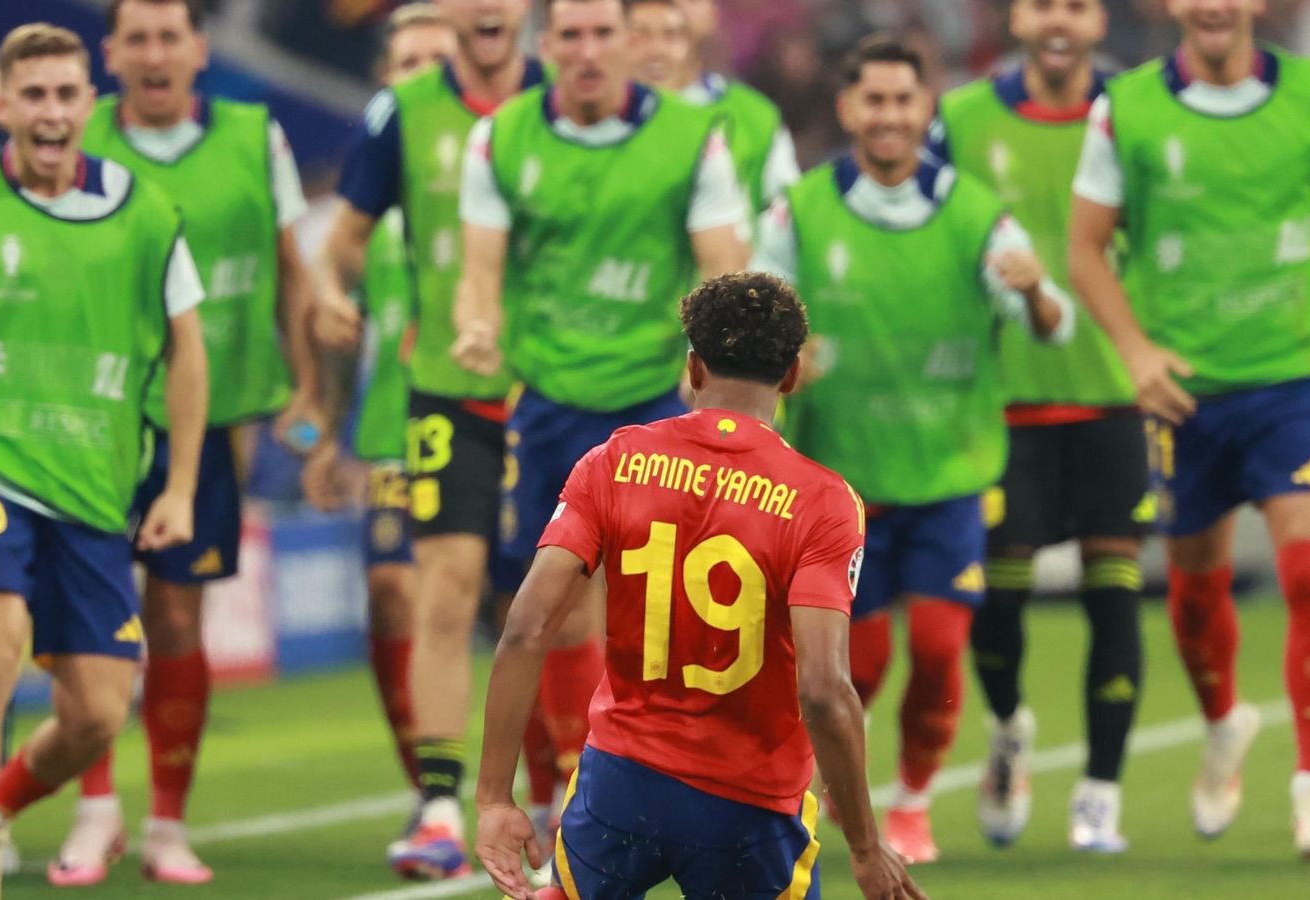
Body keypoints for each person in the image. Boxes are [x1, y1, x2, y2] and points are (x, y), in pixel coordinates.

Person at [1069, 0, 1310, 860]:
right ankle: (1224, 721)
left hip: (1293, 380)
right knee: (1197, 595)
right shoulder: (1125, 108)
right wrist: (1135, 352)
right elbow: (1085, 246)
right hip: (1184, 394)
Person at [0, 24, 208, 900]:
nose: (51, 113)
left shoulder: (145, 211)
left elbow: (188, 348)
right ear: (3, 105)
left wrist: (178, 485)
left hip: (93, 491)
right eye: (35, 96)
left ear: (88, 104)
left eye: (67, 95)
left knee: (96, 714)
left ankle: (0, 801)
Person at [473, 271, 926, 900]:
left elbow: (525, 628)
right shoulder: (822, 502)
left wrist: (495, 799)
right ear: (792, 374)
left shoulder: (615, 460)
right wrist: (869, 851)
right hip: (751, 807)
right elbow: (824, 690)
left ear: (693, 367)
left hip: (619, 785)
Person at [756, 34, 1074, 864]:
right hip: (841, 489)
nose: (890, 115)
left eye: (905, 100)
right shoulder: (800, 209)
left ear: (927, 108)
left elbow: (1051, 325)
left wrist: (1036, 289)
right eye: (875, 100)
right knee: (856, 666)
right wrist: (787, 362)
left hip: (947, 474)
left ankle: (915, 801)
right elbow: (759, 318)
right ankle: (838, 797)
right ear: (847, 108)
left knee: (936, 652)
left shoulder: (976, 214)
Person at [451, 0, 747, 869]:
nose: (585, 51)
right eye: (569, 36)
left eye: (599, 33)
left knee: (662, 608)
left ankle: (668, 787)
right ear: (547, 49)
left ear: (629, 43)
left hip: (656, 400)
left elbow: (722, 266)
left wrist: (730, 382)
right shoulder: (501, 140)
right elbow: (481, 272)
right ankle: (575, 795)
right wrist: (476, 326)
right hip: (547, 402)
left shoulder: (694, 138)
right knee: (547, 608)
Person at [47, 0, 320, 884]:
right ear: (110, 52)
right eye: (139, 38)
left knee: (175, 616)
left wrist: (307, 388)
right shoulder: (73, 137)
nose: (155, 53)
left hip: (210, 419)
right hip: (89, 418)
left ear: (199, 50)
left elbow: (290, 265)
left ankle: (166, 824)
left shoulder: (253, 136)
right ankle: (94, 814)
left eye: (171, 36)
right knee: (91, 620)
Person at [317, 0, 549, 880]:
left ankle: (566, 784)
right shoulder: (401, 114)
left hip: (553, 390)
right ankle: (440, 804)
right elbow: (344, 242)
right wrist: (338, 295)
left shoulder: (560, 103)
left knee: (558, 607)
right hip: (445, 389)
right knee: (441, 594)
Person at [931, 0, 1148, 852]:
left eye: (1076, 5)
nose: (1057, 21)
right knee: (1001, 605)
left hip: (1114, 394)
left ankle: (1100, 791)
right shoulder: (958, 120)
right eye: (1039, 4)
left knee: (1114, 598)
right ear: (1011, 20)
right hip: (1002, 402)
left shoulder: (1137, 114)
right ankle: (1010, 727)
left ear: (1099, 22)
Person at [299, 0, 455, 853]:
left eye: (441, 60)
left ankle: (553, 785)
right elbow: (332, 328)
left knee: (525, 616)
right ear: (384, 84)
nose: (424, 76)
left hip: (497, 427)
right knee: (392, 598)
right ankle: (434, 795)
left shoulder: (497, 178)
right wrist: (323, 432)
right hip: (395, 435)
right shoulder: (357, 216)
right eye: (407, 63)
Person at [635, 0, 799, 231]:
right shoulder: (596, 107)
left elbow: (787, 221)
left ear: (713, 14)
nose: (675, 5)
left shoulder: (756, 115)